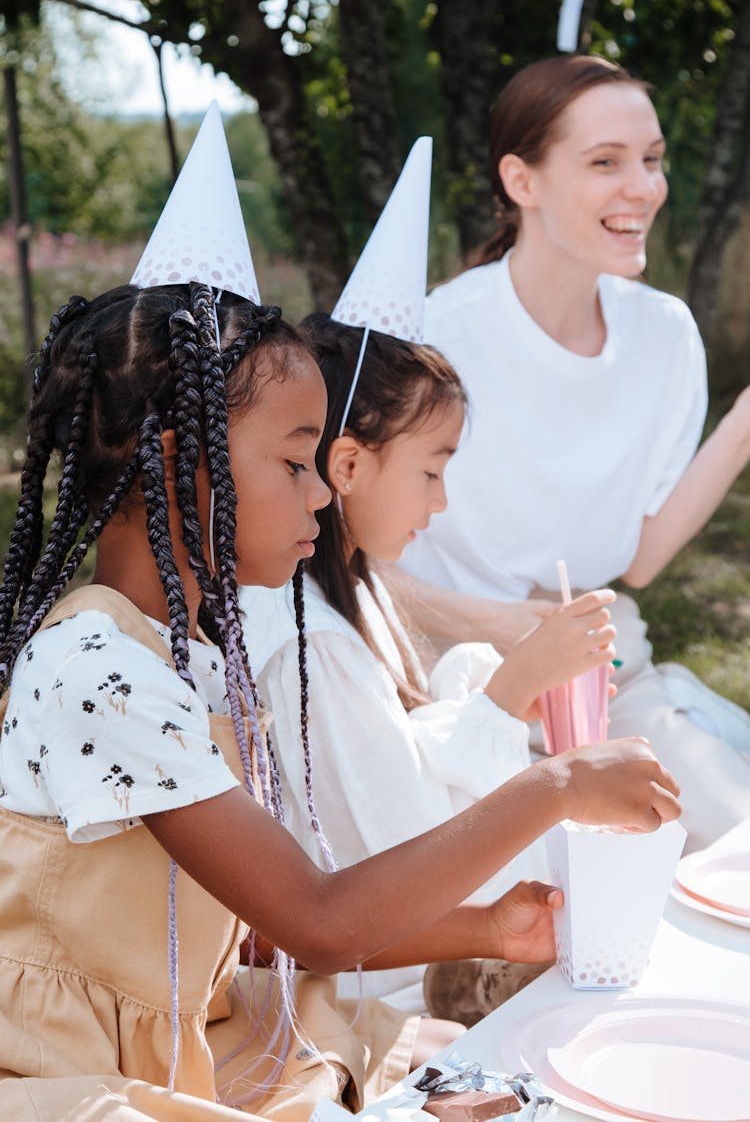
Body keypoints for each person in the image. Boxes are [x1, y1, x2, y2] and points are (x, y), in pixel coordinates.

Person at [0, 282, 681, 1121]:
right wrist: (559, 786)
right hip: (70, 1068)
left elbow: (236, 925)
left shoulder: (189, 656)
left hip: (178, 1031)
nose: (322, 493)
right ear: (176, 464)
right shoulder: (100, 667)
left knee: (465, 1069)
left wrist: (485, 930)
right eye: (293, 463)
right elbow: (319, 920)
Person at [395, 53, 750, 853]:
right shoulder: (435, 340)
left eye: (652, 159)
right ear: (522, 181)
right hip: (449, 698)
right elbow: (341, 559)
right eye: (605, 162)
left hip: (601, 687)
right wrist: (503, 626)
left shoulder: (666, 336)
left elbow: (643, 556)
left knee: (730, 847)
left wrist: (743, 425)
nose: (644, 187)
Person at [239, 315, 618, 1015]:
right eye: (432, 471)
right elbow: (404, 849)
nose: (440, 501)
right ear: (348, 466)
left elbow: (398, 748)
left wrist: (494, 687)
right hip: (373, 986)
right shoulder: (306, 642)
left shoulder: (353, 589)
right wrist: (508, 690)